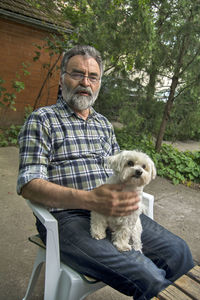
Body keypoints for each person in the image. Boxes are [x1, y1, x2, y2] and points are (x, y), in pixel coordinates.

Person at [17, 45, 194, 300]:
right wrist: (89, 199)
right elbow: (28, 185)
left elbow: (124, 171)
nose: (85, 82)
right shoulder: (42, 120)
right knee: (150, 277)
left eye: (93, 77)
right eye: (77, 73)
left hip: (118, 211)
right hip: (66, 220)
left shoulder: (103, 124)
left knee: (179, 252)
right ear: (61, 77)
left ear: (99, 82)